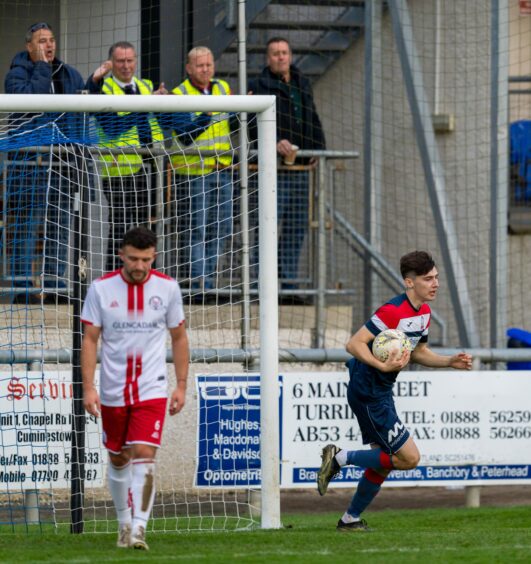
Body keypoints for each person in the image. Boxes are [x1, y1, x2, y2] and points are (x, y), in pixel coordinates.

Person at [316, 251, 473, 531]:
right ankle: (339, 457)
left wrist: (449, 362)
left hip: (382, 391)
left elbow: (419, 352)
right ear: (409, 283)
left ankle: (349, 520)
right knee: (409, 458)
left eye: (436, 277)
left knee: (385, 462)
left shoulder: (424, 313)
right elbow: (353, 344)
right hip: (367, 392)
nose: (435, 283)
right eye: (428, 279)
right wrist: (380, 364)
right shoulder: (392, 311)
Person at [81, 226, 189, 550]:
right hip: (114, 389)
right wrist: (89, 388)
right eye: (133, 259)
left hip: (151, 388)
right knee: (118, 457)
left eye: (145, 259)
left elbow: (179, 337)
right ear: (121, 256)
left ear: (154, 256)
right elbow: (90, 339)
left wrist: (181, 385)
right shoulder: (100, 289)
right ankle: (124, 522)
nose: (139, 266)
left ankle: (139, 528)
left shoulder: (168, 289)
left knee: (144, 454)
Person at [4, 21, 86, 303]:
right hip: (29, 164)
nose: (49, 45)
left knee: (59, 226)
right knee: (27, 225)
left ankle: (54, 286)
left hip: (62, 164)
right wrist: (41, 67)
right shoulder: (17, 74)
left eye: (51, 40)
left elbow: (81, 110)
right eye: (42, 41)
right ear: (29, 47)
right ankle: (23, 287)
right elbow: (32, 101)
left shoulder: (69, 74)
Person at [248, 37, 326, 300]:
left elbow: (311, 115)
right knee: (268, 226)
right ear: (267, 58)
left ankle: (289, 286)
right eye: (275, 53)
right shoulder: (258, 85)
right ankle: (263, 287)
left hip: (300, 169)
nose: (280, 57)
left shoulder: (302, 82)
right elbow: (250, 125)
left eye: (284, 52)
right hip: (274, 170)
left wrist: (318, 147)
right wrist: (272, 142)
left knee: (296, 226)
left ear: (290, 55)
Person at [170, 46, 234, 295]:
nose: (206, 69)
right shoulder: (179, 94)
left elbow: (230, 126)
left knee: (222, 227)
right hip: (192, 172)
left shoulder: (223, 89)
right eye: (200, 65)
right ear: (188, 68)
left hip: (222, 170)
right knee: (196, 228)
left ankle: (210, 278)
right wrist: (206, 115)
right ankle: (199, 284)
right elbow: (186, 136)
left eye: (209, 64)